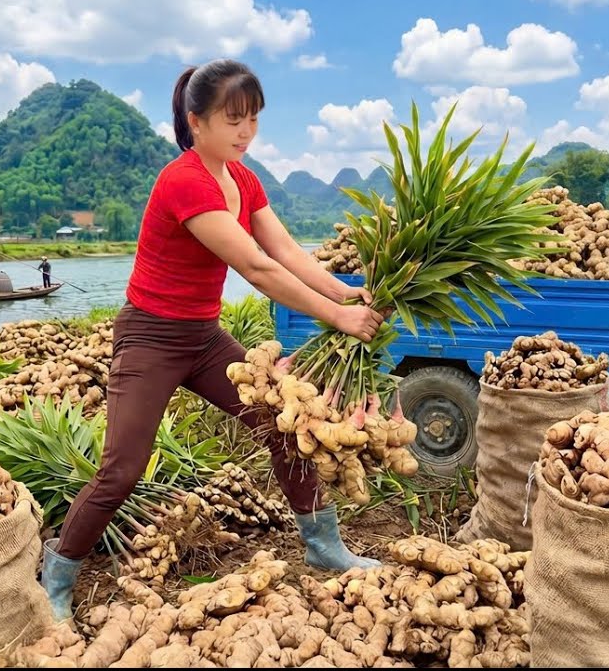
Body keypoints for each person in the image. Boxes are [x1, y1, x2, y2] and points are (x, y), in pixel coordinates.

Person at [38, 58, 386, 621]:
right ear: (195, 122)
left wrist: (347, 296)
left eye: (253, 119)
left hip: (202, 338)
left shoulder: (243, 180)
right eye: (233, 120)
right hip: (150, 337)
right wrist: (338, 318)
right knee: (124, 467)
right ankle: (58, 571)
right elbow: (255, 267)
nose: (246, 132)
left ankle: (324, 546)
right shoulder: (184, 181)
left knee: (283, 427)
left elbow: (289, 254)